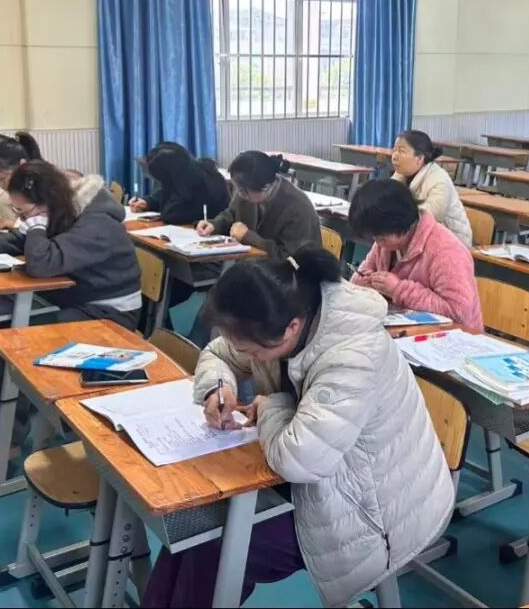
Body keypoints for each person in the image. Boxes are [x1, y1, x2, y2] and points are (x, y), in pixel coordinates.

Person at [143, 246, 455, 608]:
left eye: (254, 352)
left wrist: (270, 406)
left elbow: (299, 460)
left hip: (373, 510)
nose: (249, 357)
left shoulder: (354, 355)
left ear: (291, 329)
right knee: (189, 530)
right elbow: (218, 352)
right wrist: (219, 386)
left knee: (212, 543)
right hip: (323, 474)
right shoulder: (278, 315)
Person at [0, 160, 142, 474]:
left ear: (45, 203)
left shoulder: (97, 223)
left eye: (23, 212)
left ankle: (0, 439)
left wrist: (36, 225)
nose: (21, 217)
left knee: (19, 341)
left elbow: (43, 263)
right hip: (75, 300)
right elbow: (20, 237)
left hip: (108, 315)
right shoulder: (61, 210)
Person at [349, 179, 483, 332]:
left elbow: (458, 312)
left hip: (453, 337)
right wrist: (363, 283)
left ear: (399, 223)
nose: (378, 243)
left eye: (380, 237)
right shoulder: (386, 242)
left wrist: (398, 289)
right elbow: (358, 277)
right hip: (406, 331)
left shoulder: (446, 251)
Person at [198, 151, 321, 259]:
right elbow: (232, 214)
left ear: (265, 188)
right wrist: (214, 225)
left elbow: (290, 258)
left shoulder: (298, 209)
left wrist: (248, 237)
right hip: (254, 267)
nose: (239, 195)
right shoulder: (248, 190)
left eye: (242, 191)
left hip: (289, 274)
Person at [391, 130, 473, 246]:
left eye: (402, 151)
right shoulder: (401, 174)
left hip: (452, 244)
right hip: (421, 237)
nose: (394, 156)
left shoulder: (439, 179)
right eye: (394, 150)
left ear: (420, 158)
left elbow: (431, 216)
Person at [127, 142, 230, 221]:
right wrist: (147, 202)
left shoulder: (206, 186)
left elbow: (170, 215)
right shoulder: (187, 174)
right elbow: (166, 193)